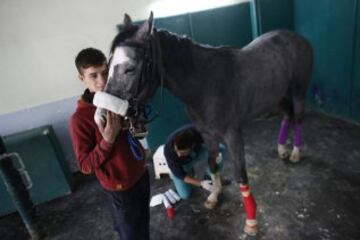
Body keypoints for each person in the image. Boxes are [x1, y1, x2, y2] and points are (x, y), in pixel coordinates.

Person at [69, 48, 150, 240]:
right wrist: (108, 140)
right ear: (82, 78)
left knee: (143, 225)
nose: (102, 81)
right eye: (93, 76)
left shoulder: (120, 99)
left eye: (105, 73)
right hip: (119, 187)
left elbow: (136, 134)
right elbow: (85, 166)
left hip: (140, 174)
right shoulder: (80, 119)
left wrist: (137, 123)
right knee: (130, 234)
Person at [164, 124, 226, 200]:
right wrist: (201, 184)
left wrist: (216, 154)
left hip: (196, 153)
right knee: (185, 195)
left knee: (221, 149)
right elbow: (180, 175)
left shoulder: (198, 131)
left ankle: (211, 176)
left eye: (182, 152)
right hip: (182, 165)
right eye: (177, 151)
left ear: (192, 146)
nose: (179, 155)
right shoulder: (169, 150)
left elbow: (214, 141)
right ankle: (188, 172)